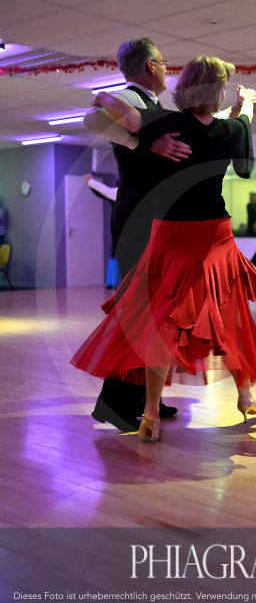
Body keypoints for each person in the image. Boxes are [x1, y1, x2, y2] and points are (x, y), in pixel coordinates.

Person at [71, 56, 256, 443]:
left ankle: (151, 413)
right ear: (219, 92)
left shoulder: (167, 123)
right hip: (213, 236)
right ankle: (245, 396)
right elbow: (242, 140)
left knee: (160, 323)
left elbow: (118, 111)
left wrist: (106, 102)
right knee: (231, 315)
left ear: (185, 86)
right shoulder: (230, 129)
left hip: (170, 233)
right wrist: (247, 106)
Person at [83, 38, 182, 430]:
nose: (167, 68)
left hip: (152, 214)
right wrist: (144, 143)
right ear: (151, 65)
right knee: (141, 309)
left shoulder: (151, 104)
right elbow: (91, 117)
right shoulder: (127, 97)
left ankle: (145, 397)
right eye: (163, 61)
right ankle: (115, 404)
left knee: (157, 310)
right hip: (137, 216)